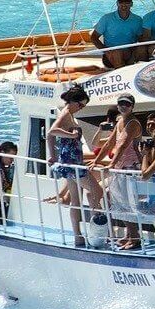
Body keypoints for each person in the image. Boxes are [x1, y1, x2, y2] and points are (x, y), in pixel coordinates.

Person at [49, 85, 104, 247]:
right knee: (97, 191)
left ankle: (78, 236)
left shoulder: (68, 114)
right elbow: (52, 131)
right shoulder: (66, 114)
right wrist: (71, 135)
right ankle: (95, 233)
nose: (81, 108)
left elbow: (49, 136)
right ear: (73, 101)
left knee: (75, 201)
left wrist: (53, 156)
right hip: (73, 163)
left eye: (84, 106)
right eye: (80, 105)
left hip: (71, 162)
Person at [89, 93, 143, 249]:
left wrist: (111, 164)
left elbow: (123, 145)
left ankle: (135, 237)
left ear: (132, 106)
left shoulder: (132, 123)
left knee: (125, 202)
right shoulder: (120, 121)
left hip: (130, 167)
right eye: (120, 104)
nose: (123, 106)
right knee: (118, 201)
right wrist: (97, 160)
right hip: (120, 167)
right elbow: (110, 143)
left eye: (126, 104)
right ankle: (129, 234)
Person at [90, 0, 146, 68]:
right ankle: (124, 74)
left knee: (142, 49)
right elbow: (94, 37)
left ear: (131, 4)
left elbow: (141, 39)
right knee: (117, 52)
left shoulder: (137, 20)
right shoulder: (106, 18)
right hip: (111, 55)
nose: (124, 4)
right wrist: (106, 51)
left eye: (127, 1)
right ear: (117, 3)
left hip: (129, 53)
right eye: (121, 1)